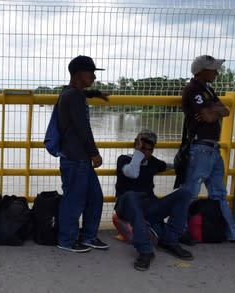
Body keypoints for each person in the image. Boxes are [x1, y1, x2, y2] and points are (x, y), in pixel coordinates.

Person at [180, 55, 235, 245]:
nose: (217, 72)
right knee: (190, 191)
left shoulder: (206, 89)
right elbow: (210, 117)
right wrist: (213, 110)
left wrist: (212, 110)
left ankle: (232, 233)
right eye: (214, 69)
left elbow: (224, 111)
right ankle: (179, 230)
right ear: (202, 71)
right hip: (201, 147)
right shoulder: (194, 90)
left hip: (211, 148)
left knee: (218, 193)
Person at [114, 129, 193, 271]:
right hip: (126, 205)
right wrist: (138, 152)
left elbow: (170, 166)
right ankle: (145, 250)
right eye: (142, 149)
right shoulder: (124, 159)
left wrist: (185, 162)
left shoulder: (153, 162)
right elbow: (132, 173)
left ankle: (170, 239)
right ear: (136, 146)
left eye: (149, 150)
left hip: (149, 206)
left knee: (185, 193)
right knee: (132, 196)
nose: (145, 153)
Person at [56, 55, 109, 253]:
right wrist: (94, 153)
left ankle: (88, 236)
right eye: (91, 72)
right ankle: (66, 240)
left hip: (79, 159)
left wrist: (94, 93)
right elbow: (82, 127)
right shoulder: (74, 96)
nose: (94, 76)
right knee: (74, 200)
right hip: (75, 158)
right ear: (79, 74)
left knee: (95, 197)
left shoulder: (71, 93)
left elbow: (79, 96)